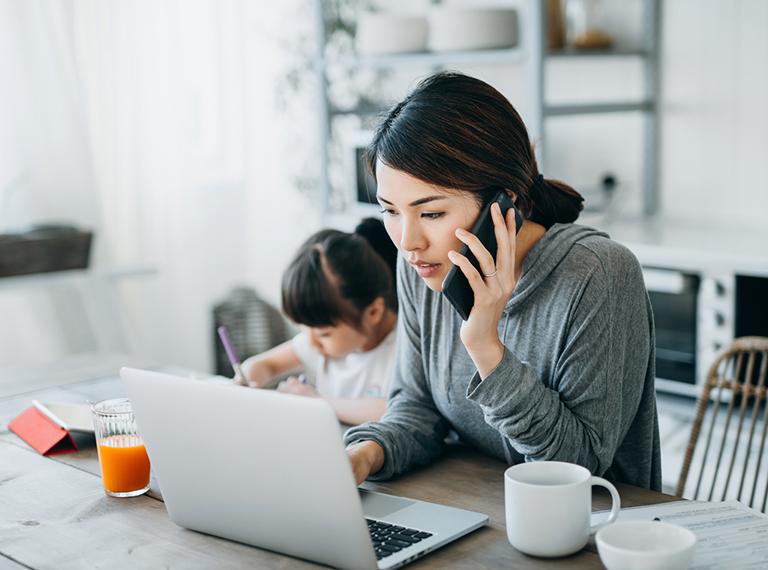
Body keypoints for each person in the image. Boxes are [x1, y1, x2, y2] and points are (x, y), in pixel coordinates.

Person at [344, 72, 661, 491]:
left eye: (432, 213)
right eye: (391, 211)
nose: (408, 241)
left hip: (596, 530)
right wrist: (362, 456)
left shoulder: (599, 276)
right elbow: (417, 407)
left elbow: (580, 467)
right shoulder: (423, 265)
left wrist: (486, 349)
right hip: (481, 511)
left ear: (503, 203)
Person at [239, 218, 398, 425]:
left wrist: (317, 401)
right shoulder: (320, 343)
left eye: (324, 333)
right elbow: (263, 365)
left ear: (373, 312)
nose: (312, 343)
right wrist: (250, 379)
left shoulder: (403, 348)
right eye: (305, 330)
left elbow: (395, 411)